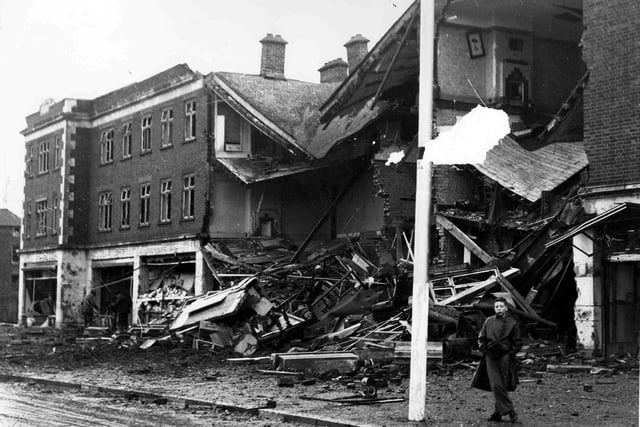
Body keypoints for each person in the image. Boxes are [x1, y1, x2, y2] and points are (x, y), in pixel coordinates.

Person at [473, 296, 522, 423]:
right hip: (490, 355)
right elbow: (481, 337)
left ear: (505, 308)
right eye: (496, 307)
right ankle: (510, 410)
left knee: (502, 384)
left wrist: (511, 353)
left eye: (501, 306)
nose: (498, 309)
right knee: (496, 384)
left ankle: (497, 413)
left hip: (505, 356)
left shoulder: (513, 323)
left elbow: (517, 341)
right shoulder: (488, 321)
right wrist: (484, 350)